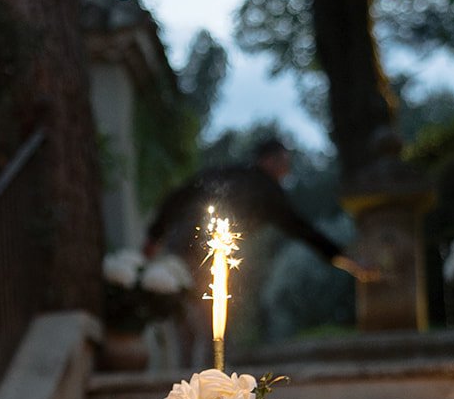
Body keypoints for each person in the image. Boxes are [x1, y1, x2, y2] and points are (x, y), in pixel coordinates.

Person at [143, 138, 376, 366]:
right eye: (284, 161)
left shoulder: (227, 173)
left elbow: (179, 195)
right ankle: (210, 385)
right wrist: (349, 260)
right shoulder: (265, 191)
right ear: (269, 161)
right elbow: (303, 230)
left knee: (190, 322)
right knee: (210, 324)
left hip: (182, 250)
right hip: (202, 256)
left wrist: (154, 237)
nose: (287, 168)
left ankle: (192, 381)